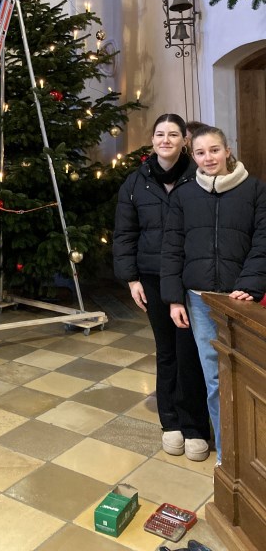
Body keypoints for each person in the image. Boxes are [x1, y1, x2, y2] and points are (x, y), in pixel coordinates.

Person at [161, 126, 266, 465]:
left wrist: (249, 285)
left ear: (227, 150)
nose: (209, 158)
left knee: (249, 375)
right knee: (215, 379)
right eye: (202, 153)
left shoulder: (255, 190)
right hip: (200, 299)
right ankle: (229, 454)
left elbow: (263, 241)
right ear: (194, 156)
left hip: (241, 298)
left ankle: (255, 451)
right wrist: (175, 299)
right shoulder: (184, 195)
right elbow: (172, 248)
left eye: (215, 150)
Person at [113, 113, 211, 461]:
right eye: (160, 134)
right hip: (152, 278)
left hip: (193, 278)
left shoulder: (199, 175)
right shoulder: (136, 183)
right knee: (167, 350)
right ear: (152, 140)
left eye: (173, 134)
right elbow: (125, 235)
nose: (165, 140)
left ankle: (194, 426)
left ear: (185, 140)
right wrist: (132, 279)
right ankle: (169, 422)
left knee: (192, 353)